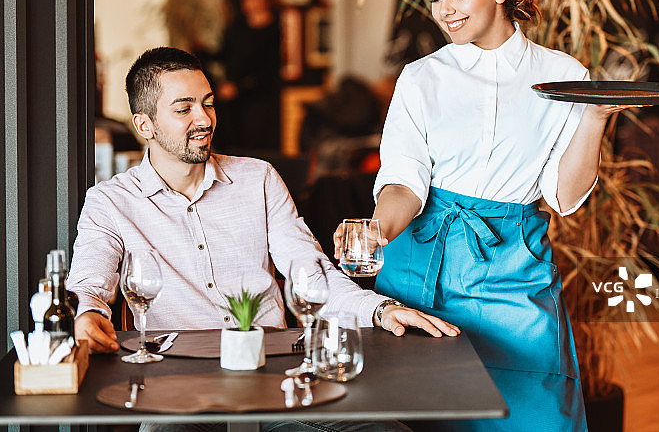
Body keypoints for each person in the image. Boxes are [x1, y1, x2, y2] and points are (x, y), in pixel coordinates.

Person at [67, 47, 458, 432]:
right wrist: (87, 314)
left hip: (274, 379)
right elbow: (87, 284)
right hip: (174, 388)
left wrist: (381, 310)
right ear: (144, 125)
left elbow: (313, 275)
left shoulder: (260, 179)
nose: (204, 119)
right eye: (184, 109)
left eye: (208, 104)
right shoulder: (110, 201)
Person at [334, 0, 629, 431]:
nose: (444, 10)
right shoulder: (421, 78)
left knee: (536, 414)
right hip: (422, 270)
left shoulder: (563, 75)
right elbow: (404, 182)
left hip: (513, 268)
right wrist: (376, 232)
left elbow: (564, 195)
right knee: (426, 416)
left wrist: (595, 118)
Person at [213, 0, 283, 152]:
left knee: (254, 148)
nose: (250, 2)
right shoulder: (238, 27)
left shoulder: (276, 30)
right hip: (232, 102)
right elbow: (226, 55)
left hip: (259, 101)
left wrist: (238, 88)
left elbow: (268, 71)